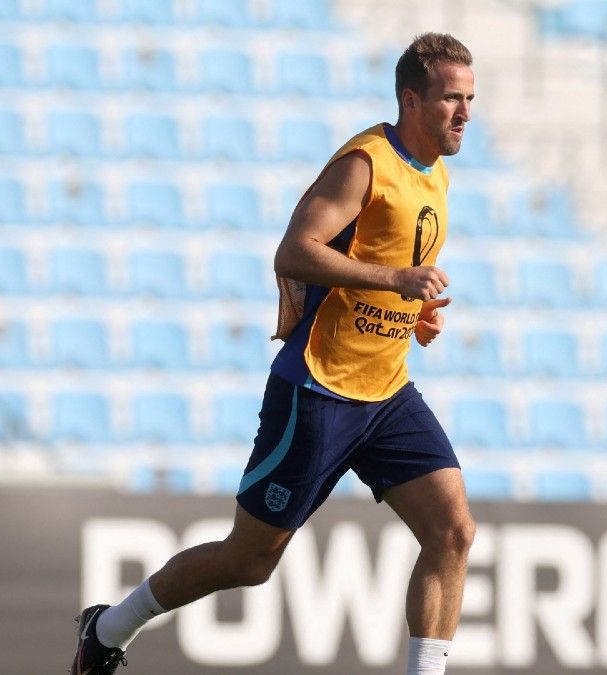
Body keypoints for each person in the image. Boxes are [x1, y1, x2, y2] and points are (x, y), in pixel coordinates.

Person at [71, 33, 477, 675]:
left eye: (470, 99)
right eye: (452, 98)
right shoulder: (366, 163)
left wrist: (411, 312)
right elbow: (295, 251)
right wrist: (397, 281)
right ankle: (110, 627)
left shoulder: (436, 173)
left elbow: (380, 265)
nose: (465, 113)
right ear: (410, 100)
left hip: (386, 392)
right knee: (249, 560)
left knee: (452, 531)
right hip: (318, 389)